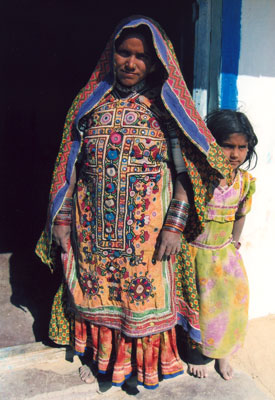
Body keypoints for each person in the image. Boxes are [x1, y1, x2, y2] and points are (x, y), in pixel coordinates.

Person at [35, 15, 231, 390]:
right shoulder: (90, 104)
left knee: (141, 301)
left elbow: (186, 172)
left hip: (147, 233)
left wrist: (175, 224)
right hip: (91, 228)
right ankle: (99, 361)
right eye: (124, 53)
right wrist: (60, 218)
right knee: (93, 293)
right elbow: (68, 162)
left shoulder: (166, 109)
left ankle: (141, 369)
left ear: (155, 62)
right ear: (112, 54)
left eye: (140, 57)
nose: (130, 62)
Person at [181, 109, 258, 380]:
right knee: (201, 307)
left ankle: (222, 352)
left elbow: (240, 215)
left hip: (224, 255)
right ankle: (198, 355)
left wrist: (234, 242)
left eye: (242, 147)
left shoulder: (245, 182)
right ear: (212, 144)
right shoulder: (199, 178)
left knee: (229, 305)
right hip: (196, 253)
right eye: (227, 146)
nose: (235, 154)